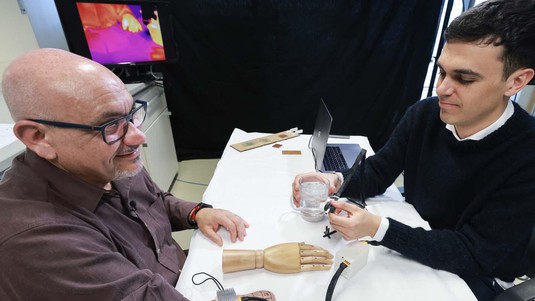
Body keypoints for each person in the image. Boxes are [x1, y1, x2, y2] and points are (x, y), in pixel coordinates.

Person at [292, 0, 535, 300]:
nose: (442, 89)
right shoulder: (426, 114)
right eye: (442, 72)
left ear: (516, 82)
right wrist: (335, 182)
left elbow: (473, 253)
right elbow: (379, 171)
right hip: (417, 241)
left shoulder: (526, 154)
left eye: (464, 79)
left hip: (476, 276)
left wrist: (379, 229)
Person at [0, 48, 249, 300]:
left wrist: (197, 213)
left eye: (131, 115)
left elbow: (155, 201)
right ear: (39, 137)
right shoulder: (38, 241)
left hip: (181, 276)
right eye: (110, 124)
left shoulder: (106, 161)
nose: (138, 136)